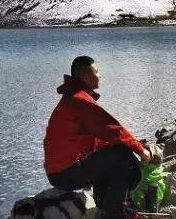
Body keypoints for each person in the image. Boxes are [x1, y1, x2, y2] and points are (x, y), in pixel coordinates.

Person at [43, 56, 151, 219]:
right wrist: (141, 151)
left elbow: (101, 136)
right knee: (122, 156)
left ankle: (104, 206)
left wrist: (134, 144)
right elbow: (114, 129)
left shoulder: (73, 98)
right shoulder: (79, 99)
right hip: (65, 173)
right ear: (85, 77)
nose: (100, 76)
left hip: (60, 172)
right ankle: (115, 213)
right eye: (97, 72)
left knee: (112, 154)